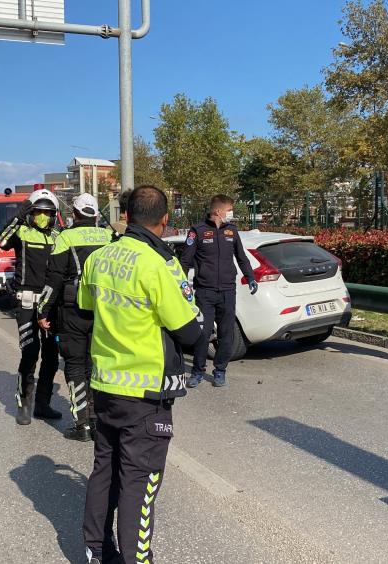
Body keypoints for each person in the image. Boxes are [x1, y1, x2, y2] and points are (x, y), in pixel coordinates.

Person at [80, 185, 203, 564]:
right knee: (140, 481)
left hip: (105, 384)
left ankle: (96, 551)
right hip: (146, 392)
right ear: (165, 221)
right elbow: (191, 331)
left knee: (105, 469)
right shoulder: (157, 264)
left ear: (127, 215)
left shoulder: (98, 258)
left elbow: (86, 309)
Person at [37, 193, 113, 442]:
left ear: (75, 214)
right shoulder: (108, 236)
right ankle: (98, 420)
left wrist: (43, 310)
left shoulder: (66, 237)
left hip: (73, 309)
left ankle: (83, 424)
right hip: (103, 308)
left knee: (75, 365)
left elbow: (54, 278)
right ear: (95, 215)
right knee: (96, 365)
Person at [0, 189, 63, 425]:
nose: (43, 216)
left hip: (51, 305)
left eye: (48, 213)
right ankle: (24, 404)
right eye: (38, 212)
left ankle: (43, 404)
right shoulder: (22, 232)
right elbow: (1, 241)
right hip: (25, 302)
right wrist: (19, 214)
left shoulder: (58, 236)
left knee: (52, 356)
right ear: (32, 213)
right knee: (30, 353)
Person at [180, 194, 257, 388]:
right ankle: (197, 372)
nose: (231, 214)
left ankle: (220, 370)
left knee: (226, 333)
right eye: (229, 210)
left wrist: (250, 277)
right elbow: (185, 261)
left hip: (228, 291)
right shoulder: (197, 231)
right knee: (203, 333)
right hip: (205, 291)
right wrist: (182, 283)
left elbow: (241, 257)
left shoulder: (231, 230)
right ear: (218, 211)